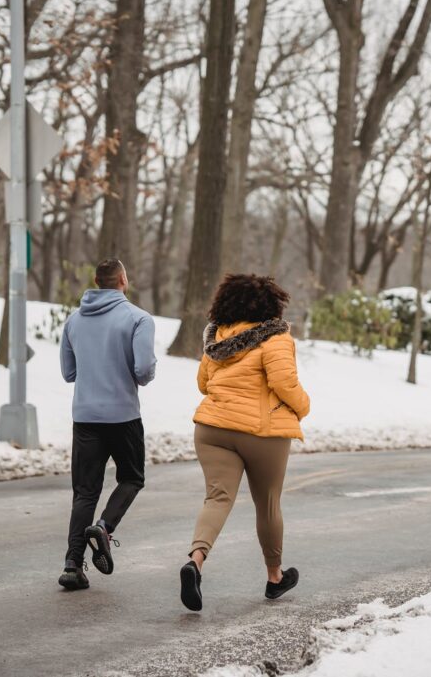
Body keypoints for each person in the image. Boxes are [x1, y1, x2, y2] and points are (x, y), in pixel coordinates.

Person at [179, 274, 310, 611]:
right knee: (267, 502)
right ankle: (274, 577)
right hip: (262, 433)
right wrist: (303, 406)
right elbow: (283, 382)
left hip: (212, 428)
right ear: (272, 304)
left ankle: (195, 561)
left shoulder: (217, 337)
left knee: (217, 498)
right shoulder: (276, 338)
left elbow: (203, 383)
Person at [57, 258, 156, 590]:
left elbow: (69, 373)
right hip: (123, 416)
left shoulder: (73, 321)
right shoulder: (138, 319)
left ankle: (72, 564)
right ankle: (104, 526)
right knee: (131, 477)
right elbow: (143, 371)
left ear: (97, 281)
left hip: (84, 418)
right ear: (123, 280)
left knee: (84, 492)